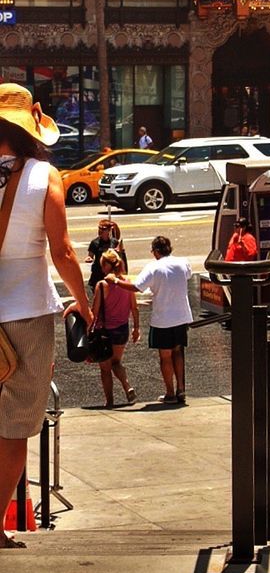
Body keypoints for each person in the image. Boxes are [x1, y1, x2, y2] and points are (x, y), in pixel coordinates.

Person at [0, 83, 91, 548]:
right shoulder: (44, 175)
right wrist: (84, 301)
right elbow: (63, 251)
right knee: (14, 427)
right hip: (26, 314)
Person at [107, 235, 192, 406]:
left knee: (165, 356)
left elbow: (137, 286)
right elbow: (187, 276)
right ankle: (181, 389)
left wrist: (115, 281)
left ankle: (170, 392)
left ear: (156, 251)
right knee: (178, 351)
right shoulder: (183, 263)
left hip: (163, 318)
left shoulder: (153, 267)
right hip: (182, 315)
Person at [90, 248, 139, 407]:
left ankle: (109, 401)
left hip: (105, 332)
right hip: (122, 329)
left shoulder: (102, 285)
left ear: (105, 266)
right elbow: (134, 308)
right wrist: (136, 328)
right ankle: (127, 386)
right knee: (116, 362)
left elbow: (94, 312)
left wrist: (87, 328)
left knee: (105, 368)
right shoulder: (127, 283)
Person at [86, 219, 128, 290]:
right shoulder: (95, 243)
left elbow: (120, 256)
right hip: (98, 272)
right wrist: (89, 258)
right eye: (100, 228)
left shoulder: (114, 242)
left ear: (109, 230)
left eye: (104, 229)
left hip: (111, 272)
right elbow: (90, 255)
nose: (101, 231)